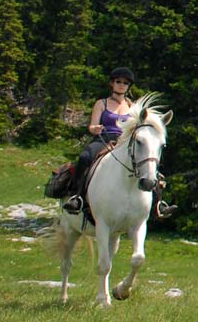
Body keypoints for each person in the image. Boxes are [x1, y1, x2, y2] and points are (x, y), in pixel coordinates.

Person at [62, 67, 176, 218]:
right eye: (118, 82)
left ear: (128, 86)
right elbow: (92, 125)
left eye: (125, 83)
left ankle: (158, 203)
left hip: (125, 141)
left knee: (148, 163)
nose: (121, 85)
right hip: (104, 138)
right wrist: (95, 128)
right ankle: (77, 197)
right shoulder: (101, 103)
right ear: (112, 83)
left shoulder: (132, 107)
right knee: (85, 157)